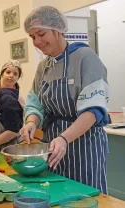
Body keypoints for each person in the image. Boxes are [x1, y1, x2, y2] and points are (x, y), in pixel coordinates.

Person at [20, 6, 109, 193]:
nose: (37, 42)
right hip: (53, 148)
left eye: (41, 34)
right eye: (32, 37)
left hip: (84, 147)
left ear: (57, 29)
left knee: (85, 197)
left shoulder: (85, 58)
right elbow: (35, 102)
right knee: (56, 194)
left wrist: (64, 139)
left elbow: (93, 111)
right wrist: (31, 122)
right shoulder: (44, 66)